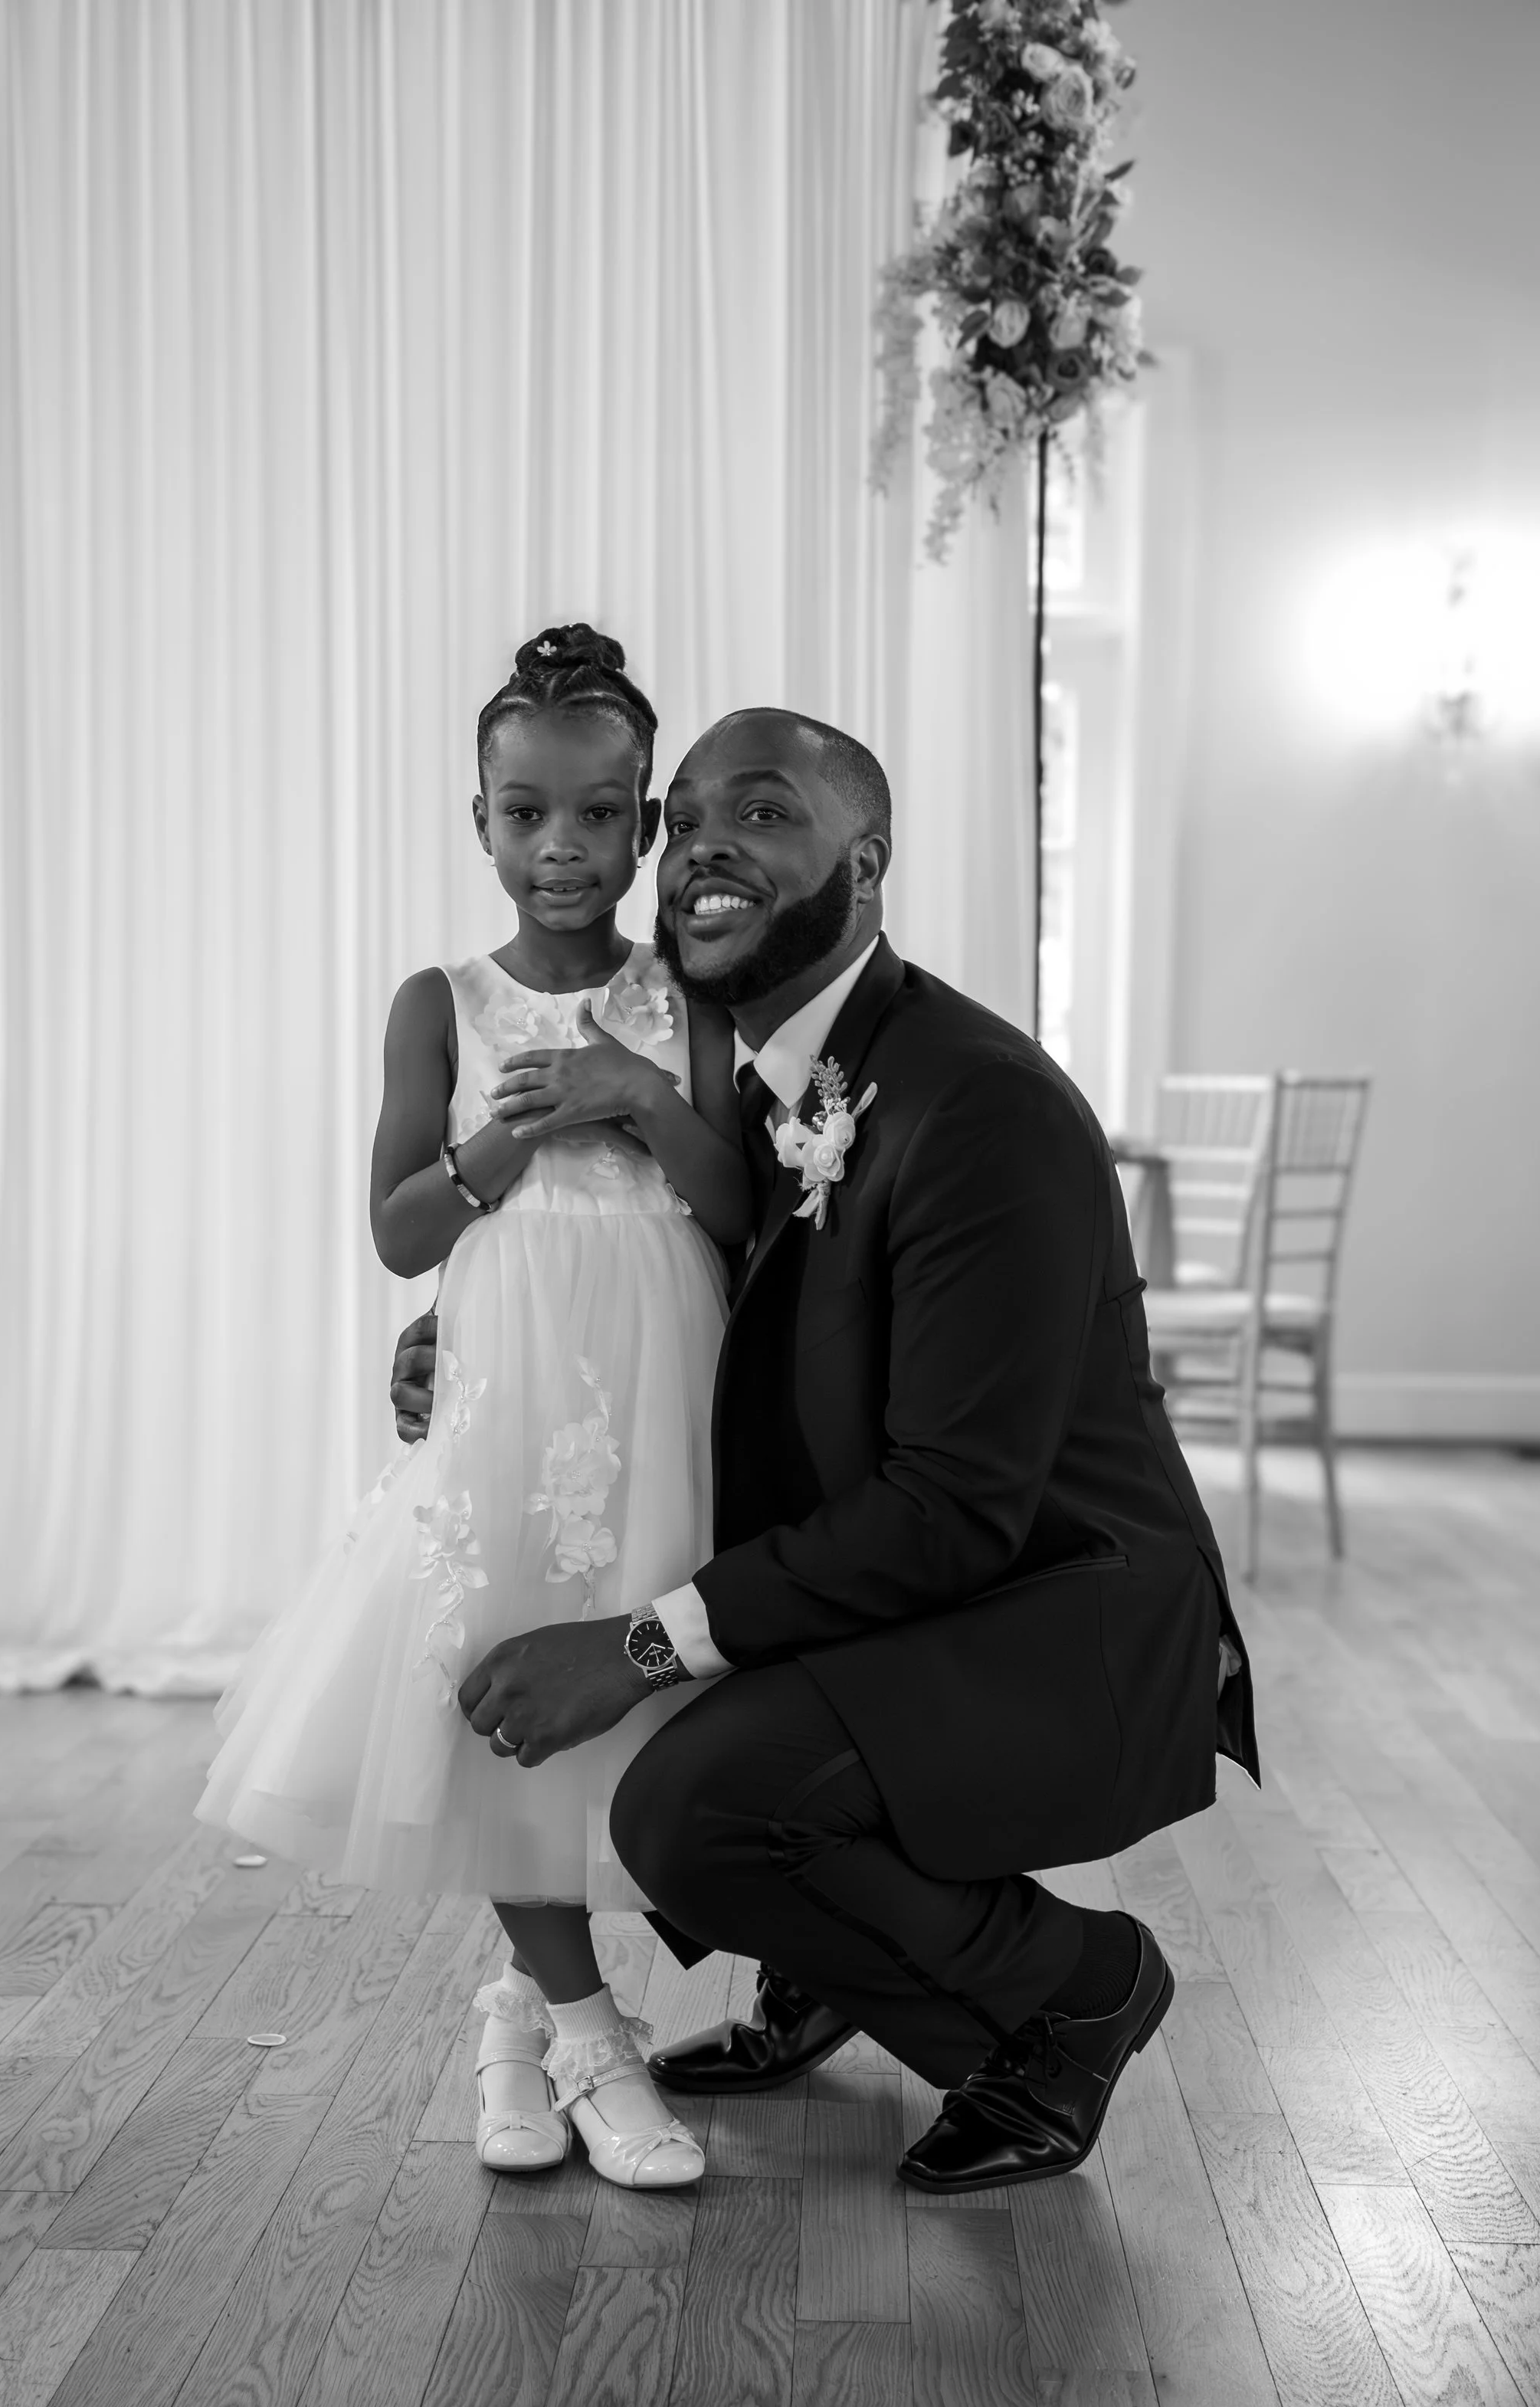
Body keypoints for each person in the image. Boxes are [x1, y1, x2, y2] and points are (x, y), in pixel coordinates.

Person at [395, 704, 1258, 2189]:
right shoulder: (764, 1076)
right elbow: (729, 1314)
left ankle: (1068, 1992)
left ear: (866, 864)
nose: (702, 848)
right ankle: (823, 1976)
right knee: (695, 1718)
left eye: (765, 814)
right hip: (932, 1587)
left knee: (690, 1795)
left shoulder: (973, 1105)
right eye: (688, 818)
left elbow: (949, 1511)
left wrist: (639, 1645)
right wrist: (475, 1340)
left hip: (1065, 1620)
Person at [199, 627, 752, 2191]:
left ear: (645, 825)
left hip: (663, 1389)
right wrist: (500, 1153)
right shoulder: (437, 1002)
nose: (558, 848)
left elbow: (732, 1212)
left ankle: (515, 2013)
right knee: (501, 1678)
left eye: (595, 814)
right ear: (479, 821)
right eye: (524, 813)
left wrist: (633, 1099)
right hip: (511, 1389)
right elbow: (396, 1234)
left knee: (629, 1706)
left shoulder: (681, 1001)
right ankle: (591, 2033)